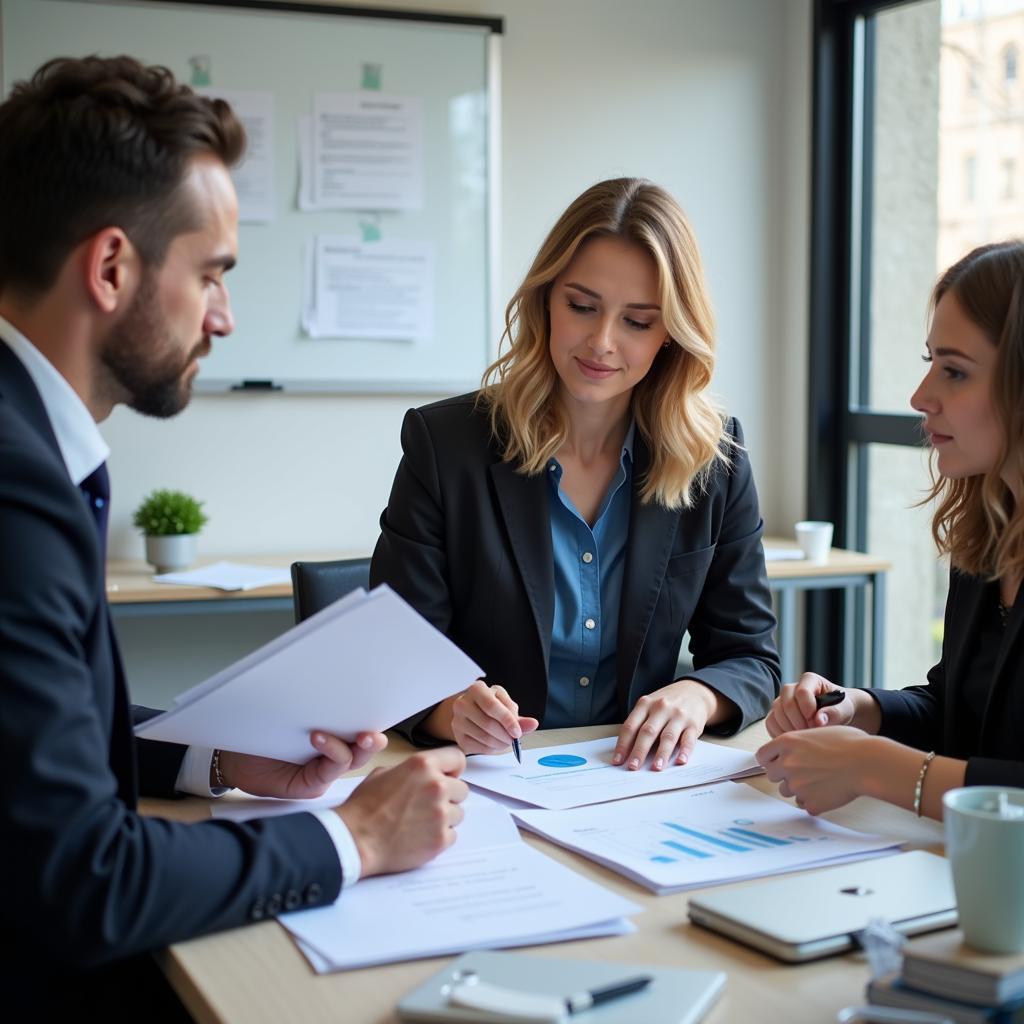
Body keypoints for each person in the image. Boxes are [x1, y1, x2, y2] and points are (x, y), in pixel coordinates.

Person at [0, 56, 468, 1016]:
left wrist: (218, 760)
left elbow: (33, 753)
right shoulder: (16, 485)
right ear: (113, 267)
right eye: (211, 274)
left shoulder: (28, 441)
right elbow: (82, 879)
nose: (224, 316)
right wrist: (358, 840)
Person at [371, 178, 780, 772]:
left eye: (638, 321)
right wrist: (452, 709)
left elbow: (750, 658)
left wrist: (697, 695)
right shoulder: (446, 445)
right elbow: (394, 657)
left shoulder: (714, 457)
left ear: (672, 334)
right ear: (545, 299)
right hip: (484, 779)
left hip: (632, 781)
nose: (602, 343)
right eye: (582, 306)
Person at [757, 241, 1024, 820]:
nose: (920, 396)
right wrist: (858, 710)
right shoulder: (989, 540)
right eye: (930, 362)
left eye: (954, 371)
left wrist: (871, 766)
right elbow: (957, 715)